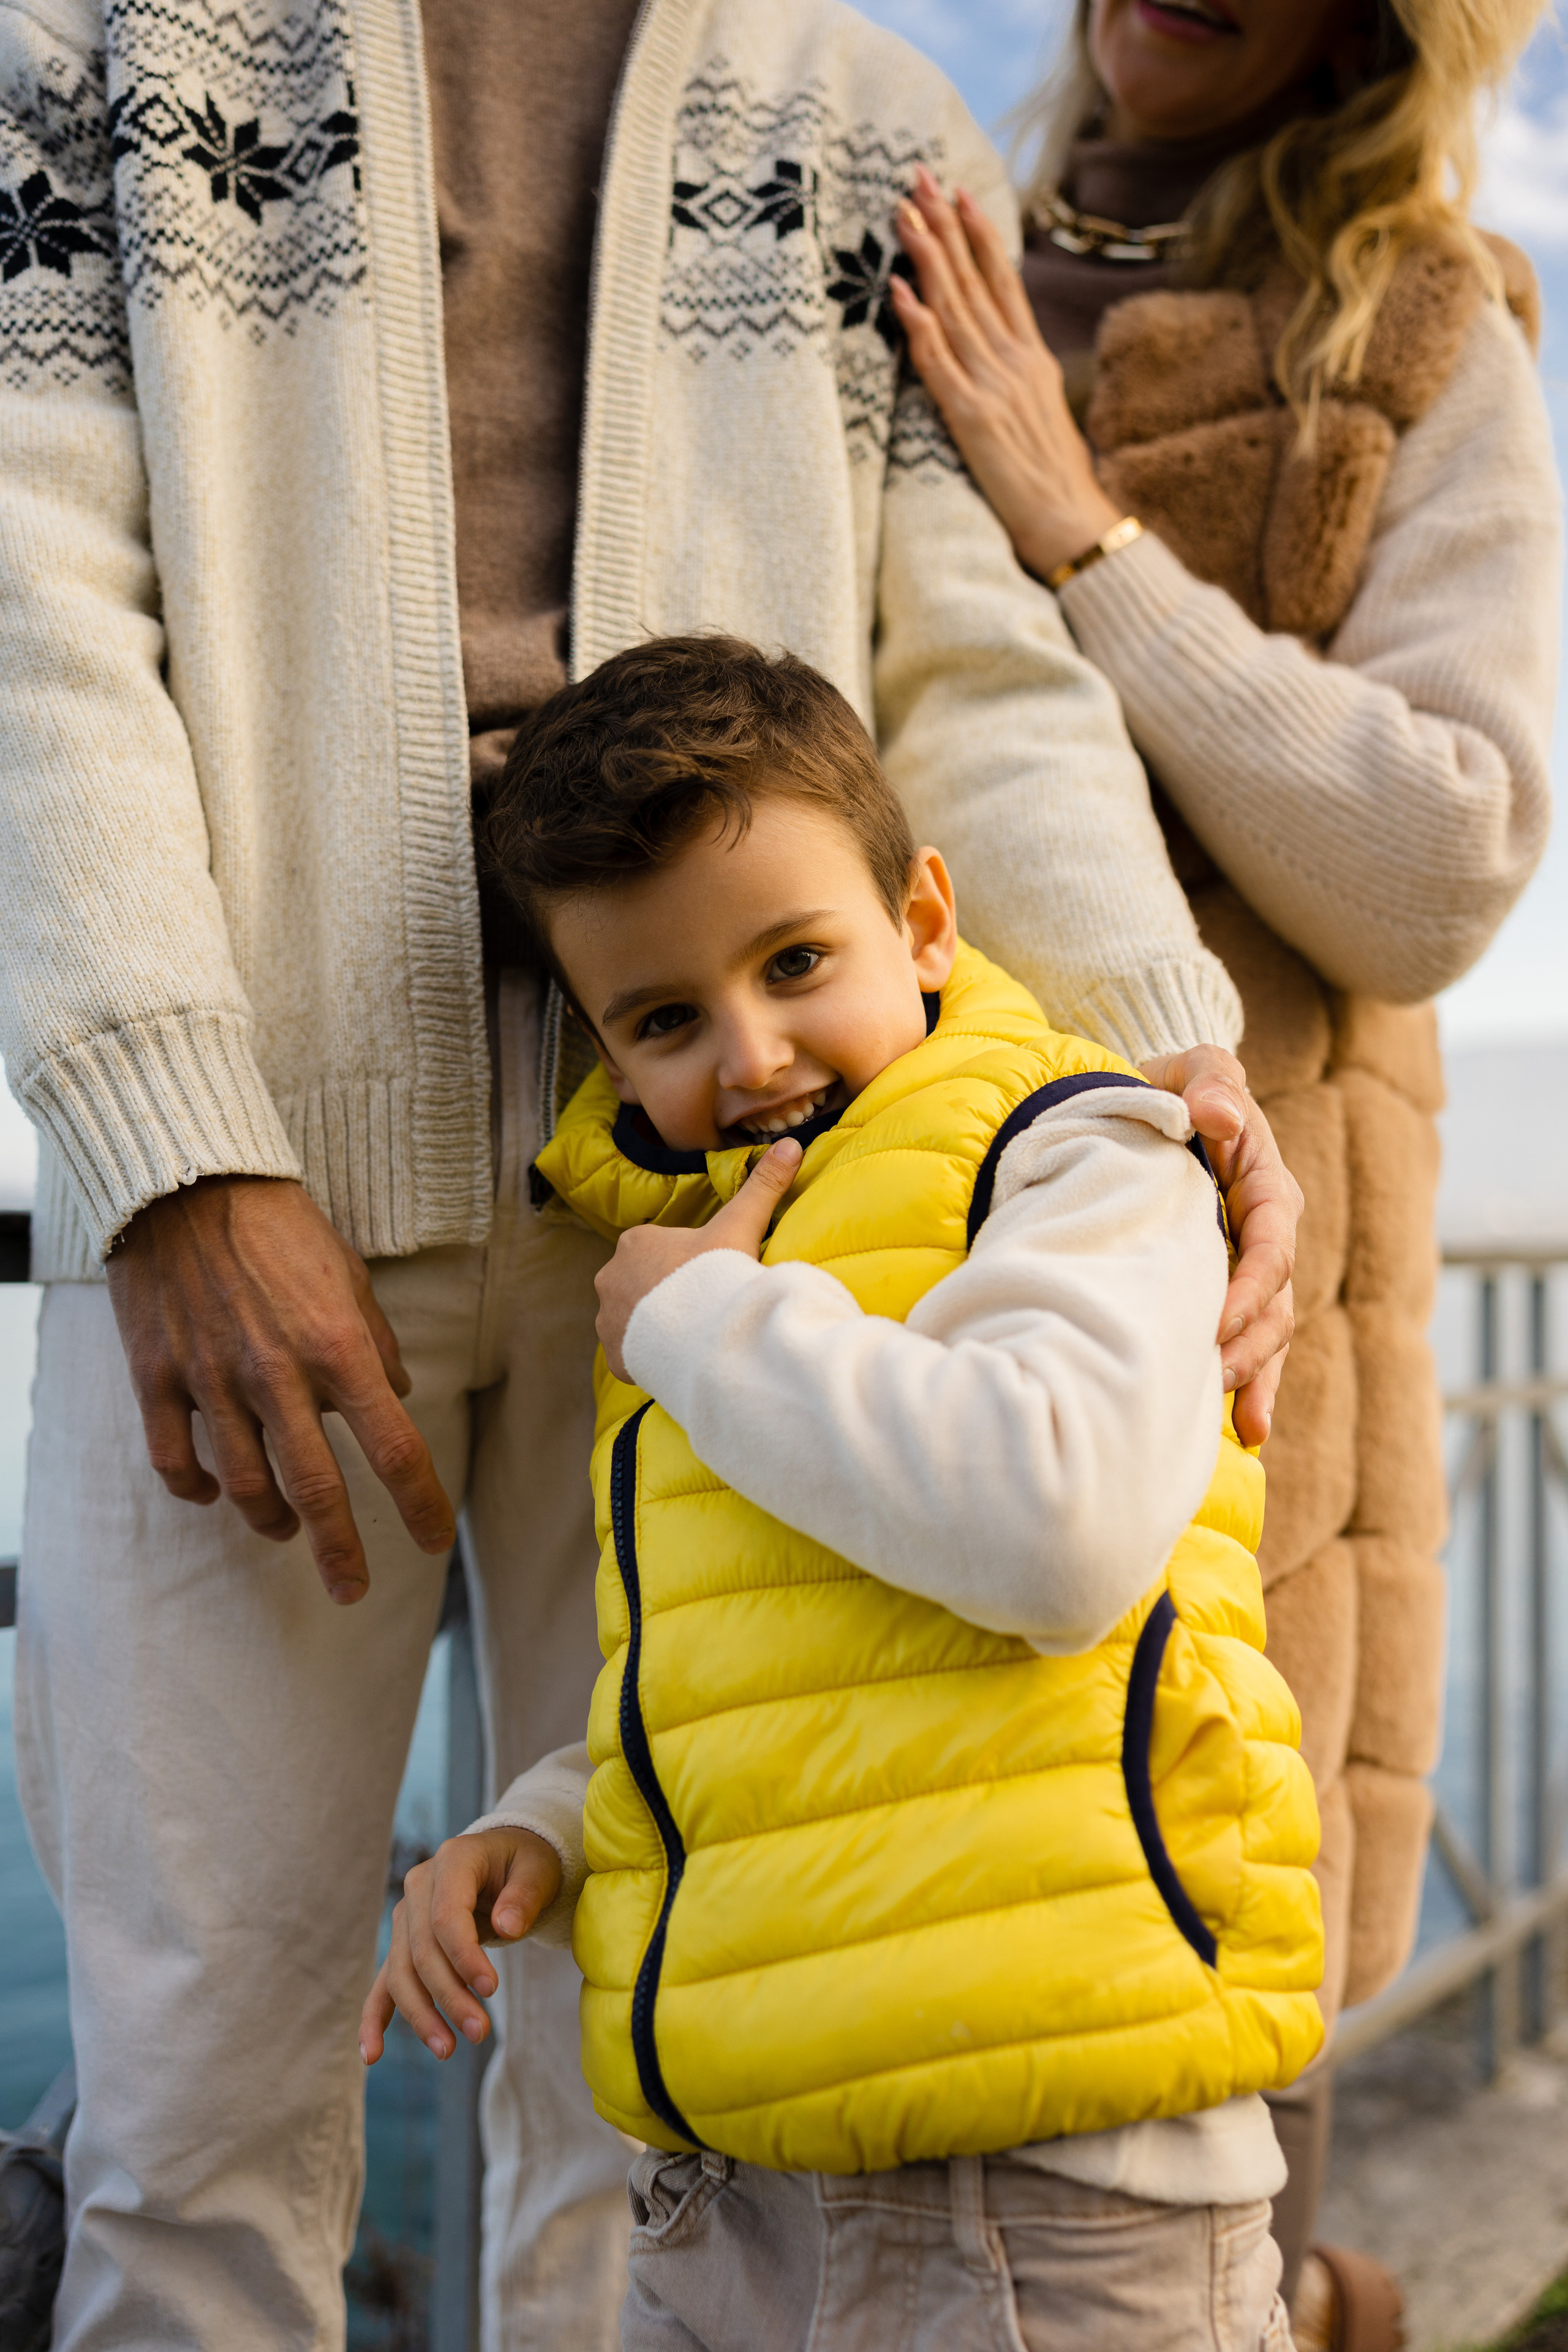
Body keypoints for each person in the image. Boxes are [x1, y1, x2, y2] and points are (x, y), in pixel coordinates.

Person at [0, 2, 1302, 2343]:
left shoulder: (876, 121)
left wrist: (1164, 1048)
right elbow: (21, 592)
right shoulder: (82, 53)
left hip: (762, 1223)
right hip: (259, 1181)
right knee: (189, 2106)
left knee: (658, 2098)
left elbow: (970, 666)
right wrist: (172, 1139)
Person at [362, 631, 1325, 2352]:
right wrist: (547, 1822)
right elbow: (793, 1678)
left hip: (1046, 2179)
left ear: (928, 922)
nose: (750, 1056)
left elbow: (1056, 1533)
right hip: (740, 2188)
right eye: (663, 1019)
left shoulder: (1073, 1147)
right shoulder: (708, 1272)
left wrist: (708, 1327)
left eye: (798, 959)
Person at [885, 1, 1560, 2342]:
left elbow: (1437, 861)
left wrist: (1079, 530)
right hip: (882, 1261)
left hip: (1228, 1309)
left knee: (1192, 2039)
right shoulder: (896, 205)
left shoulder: (1419, 323)